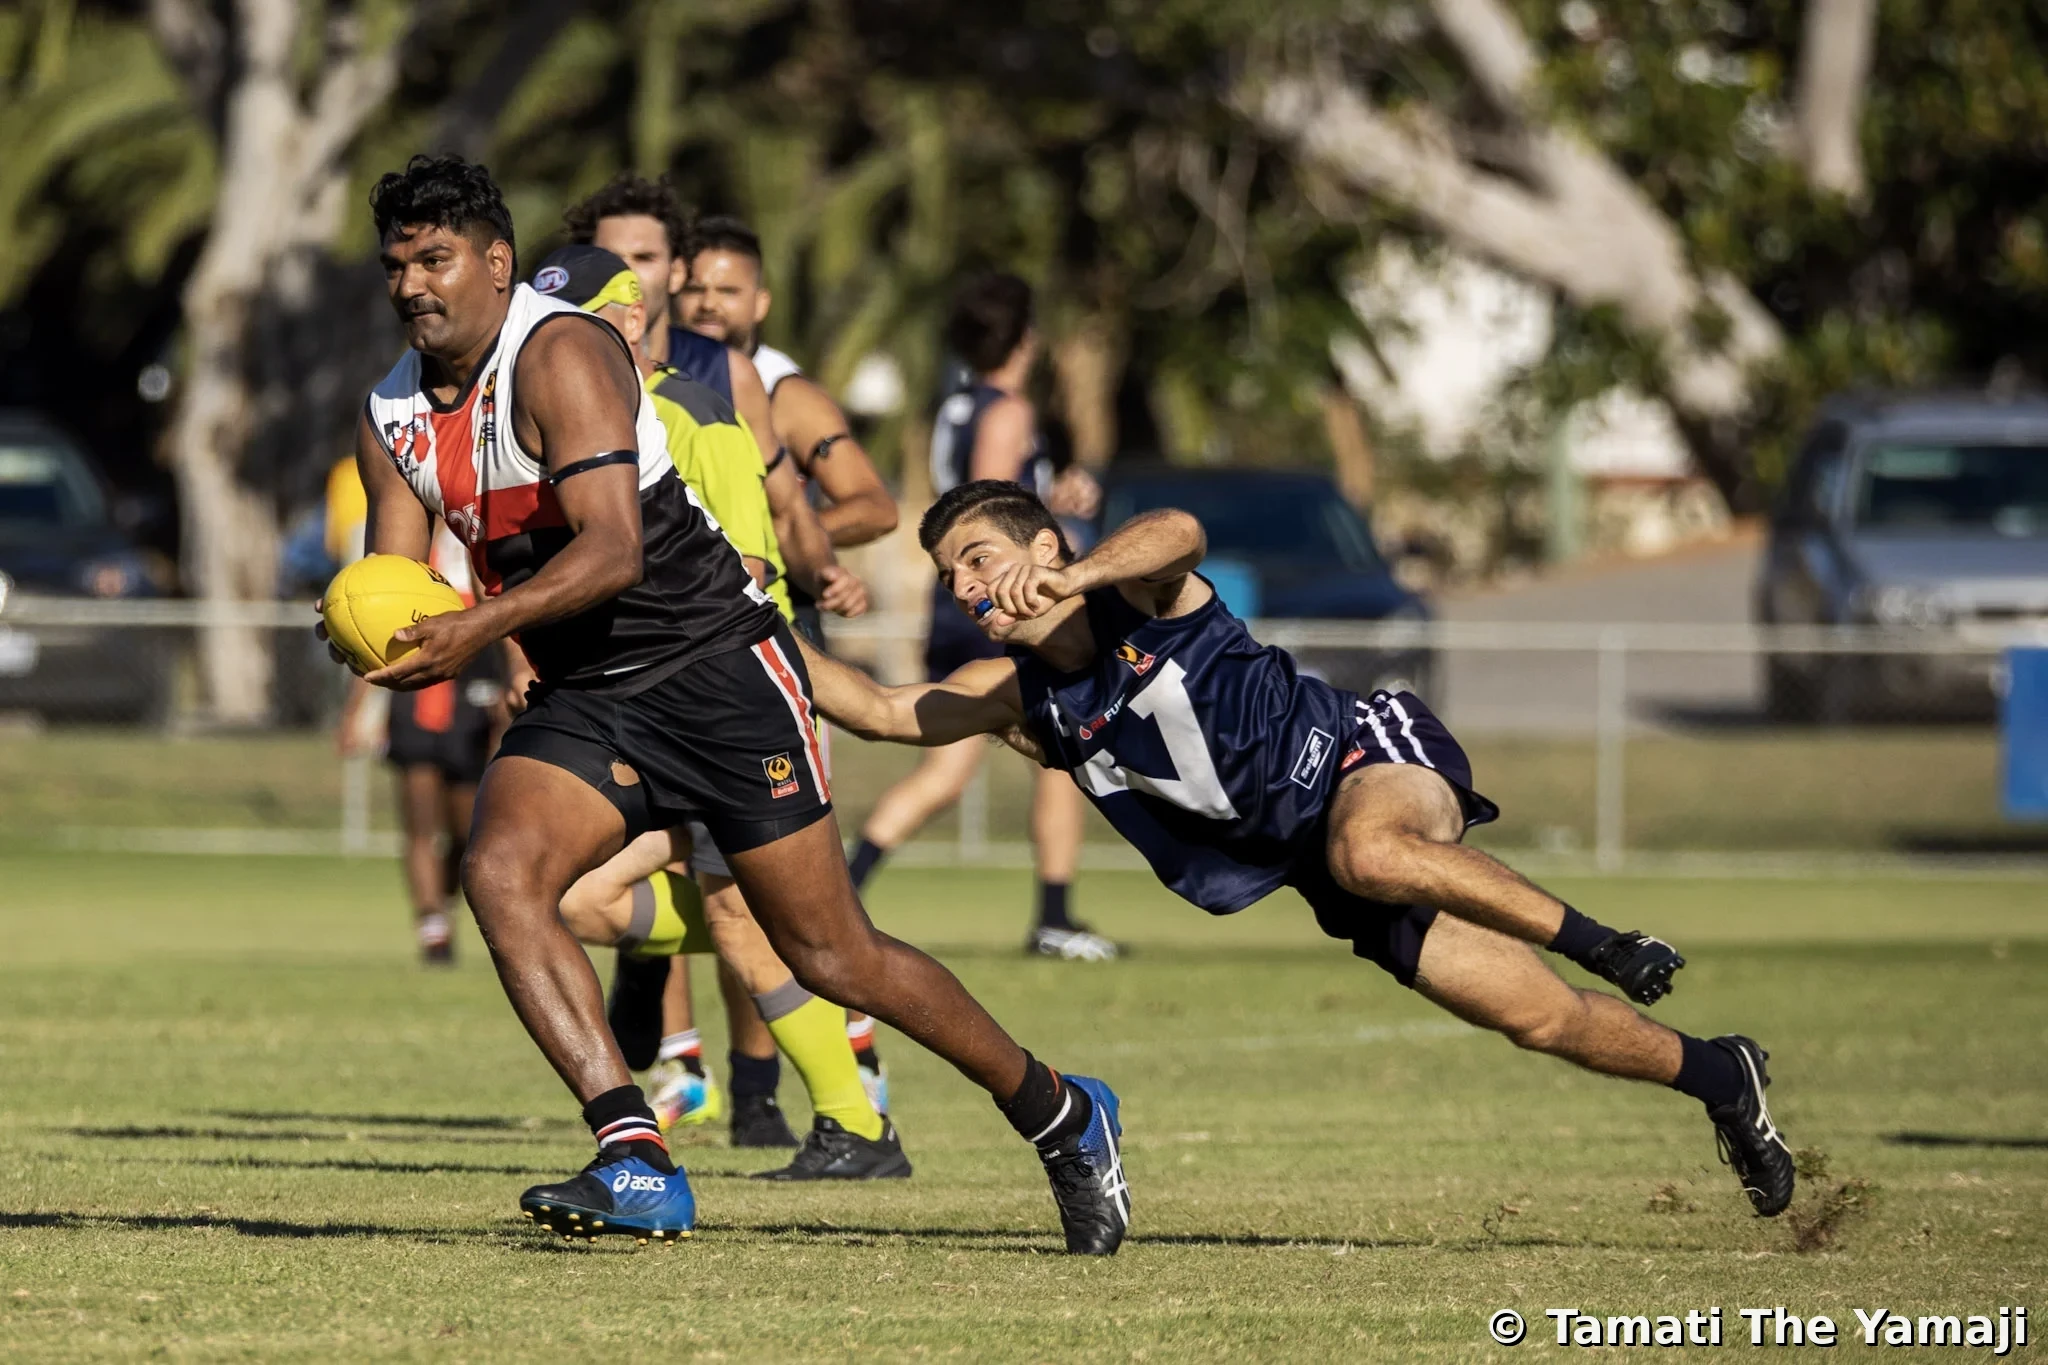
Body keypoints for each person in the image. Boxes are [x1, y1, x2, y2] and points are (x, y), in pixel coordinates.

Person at [335, 154, 1128, 1254]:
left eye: (437, 259)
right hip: (588, 689)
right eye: (396, 266)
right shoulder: (388, 411)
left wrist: (472, 630)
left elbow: (611, 549)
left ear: (497, 262)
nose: (414, 284)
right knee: (502, 872)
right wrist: (381, 639)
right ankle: (636, 1155)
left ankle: (1061, 1112)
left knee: (831, 956)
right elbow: (397, 578)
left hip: (713, 666)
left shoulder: (561, 353)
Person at [794, 479, 1799, 1220]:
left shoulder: (1135, 594)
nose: (964, 587)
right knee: (1542, 1023)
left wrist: (1081, 570)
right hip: (1316, 865)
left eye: (977, 558)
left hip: (1365, 755)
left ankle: (1605, 940)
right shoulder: (1020, 694)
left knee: (1371, 848)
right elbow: (880, 710)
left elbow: (1177, 530)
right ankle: (1722, 1079)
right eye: (948, 576)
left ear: (1043, 544)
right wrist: (741, 620)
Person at [530, 244, 905, 1180]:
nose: (542, 346)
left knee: (743, 917)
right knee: (578, 894)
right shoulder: (561, 416)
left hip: (721, 699)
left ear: (625, 319)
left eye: (564, 325)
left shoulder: (691, 414)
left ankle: (855, 1125)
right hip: (626, 707)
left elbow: (750, 571)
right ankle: (817, 942)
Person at [561, 177, 805, 1135]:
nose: (636, 282)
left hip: (728, 663)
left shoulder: (710, 388)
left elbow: (764, 537)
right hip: (622, 683)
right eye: (609, 262)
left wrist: (822, 565)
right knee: (595, 888)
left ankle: (794, 1098)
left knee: (745, 900)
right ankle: (683, 1064)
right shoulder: (553, 398)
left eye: (649, 259)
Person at [679, 214, 902, 1113]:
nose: (706, 301)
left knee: (774, 883)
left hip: (774, 644)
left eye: (726, 289)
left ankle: (850, 1065)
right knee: (721, 886)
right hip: (676, 651)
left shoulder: (782, 390)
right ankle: (726, 1075)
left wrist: (792, 547)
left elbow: (873, 504)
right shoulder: (640, 375)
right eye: (695, 286)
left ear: (759, 302)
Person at [842, 273, 1116, 962]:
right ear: (1026, 338)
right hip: (999, 607)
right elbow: (991, 510)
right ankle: (1054, 918)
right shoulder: (1006, 412)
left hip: (955, 601)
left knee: (945, 772)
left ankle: (843, 890)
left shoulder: (954, 405)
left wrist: (1050, 492)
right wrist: (1060, 514)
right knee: (1061, 757)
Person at [331, 464, 507, 965]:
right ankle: (430, 921)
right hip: (413, 697)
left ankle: (444, 903)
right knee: (418, 817)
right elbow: (375, 640)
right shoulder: (402, 549)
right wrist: (357, 711)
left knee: (465, 827)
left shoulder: (479, 537)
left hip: (470, 690)